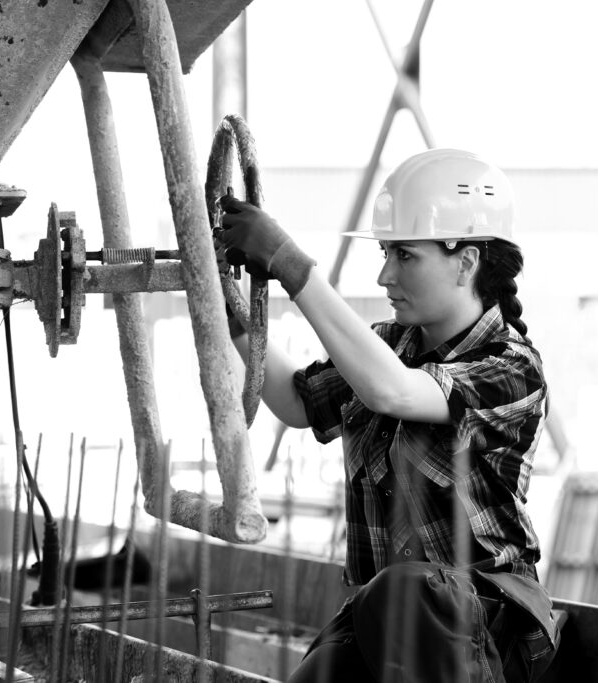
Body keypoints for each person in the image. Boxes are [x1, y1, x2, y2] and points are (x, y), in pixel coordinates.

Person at [214, 148, 562, 682]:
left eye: (404, 255)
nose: (383, 275)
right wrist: (226, 308)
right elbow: (294, 400)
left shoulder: (511, 370)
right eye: (385, 252)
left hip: (490, 629)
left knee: (410, 590)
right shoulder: (389, 346)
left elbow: (393, 393)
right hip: (391, 621)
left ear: (466, 261)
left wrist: (289, 263)